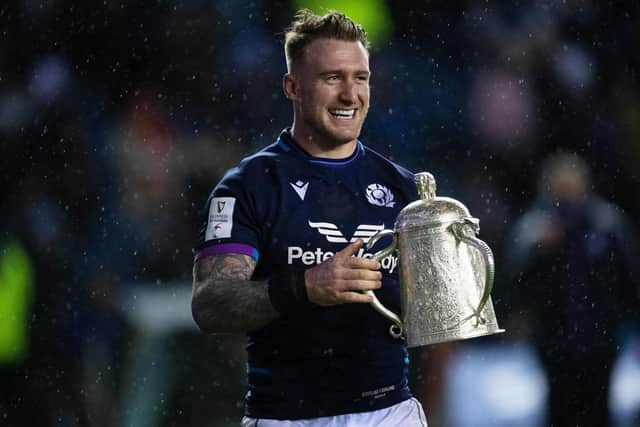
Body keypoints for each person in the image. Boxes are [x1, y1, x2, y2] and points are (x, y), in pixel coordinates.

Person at [191, 9, 428, 426]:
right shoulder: (247, 187)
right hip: (287, 417)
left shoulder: (404, 188)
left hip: (391, 413)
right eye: (332, 77)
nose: (350, 94)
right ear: (292, 86)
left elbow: (433, 314)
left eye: (361, 78)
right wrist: (305, 286)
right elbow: (210, 305)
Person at [504, 152, 640, 427]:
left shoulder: (606, 223)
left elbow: (628, 278)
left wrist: (624, 319)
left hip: (600, 334)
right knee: (559, 406)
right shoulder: (536, 227)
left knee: (600, 405)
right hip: (554, 337)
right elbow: (514, 283)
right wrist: (540, 251)